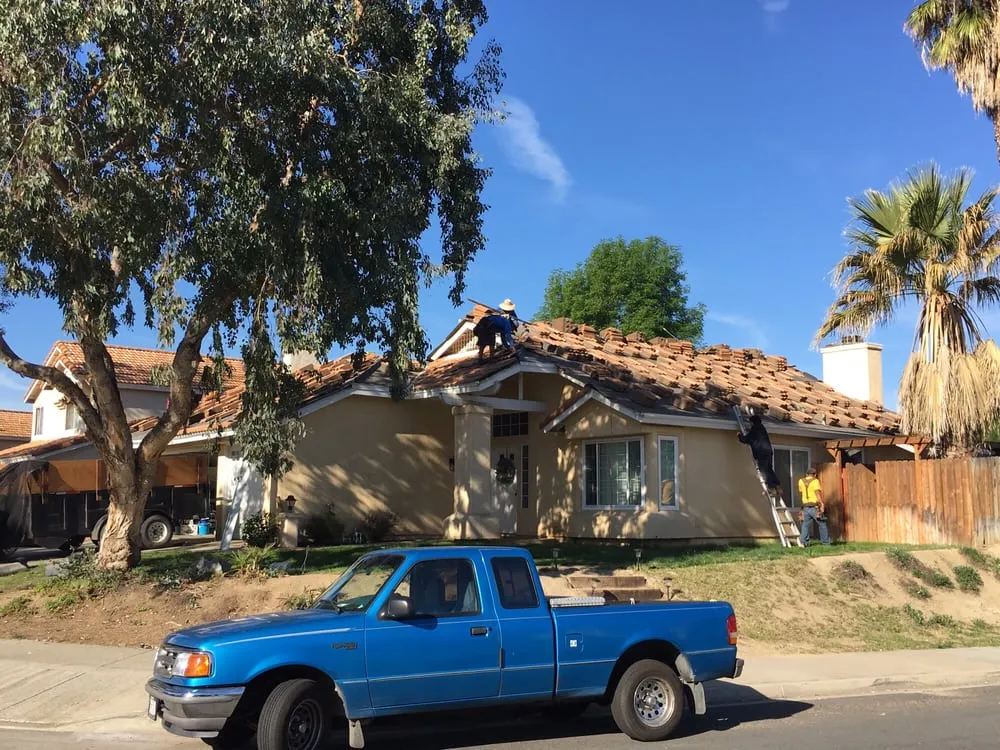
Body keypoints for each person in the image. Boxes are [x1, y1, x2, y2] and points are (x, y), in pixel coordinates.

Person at [736, 413, 782, 500]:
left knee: (764, 470)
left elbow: (746, 439)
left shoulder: (755, 429)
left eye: (750, 423)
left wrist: (739, 436)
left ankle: (771, 488)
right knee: (769, 468)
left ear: (753, 422)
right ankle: (777, 486)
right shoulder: (762, 428)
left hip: (761, 452)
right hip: (768, 451)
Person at [798, 466, 830, 546]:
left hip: (805, 506)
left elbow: (801, 491)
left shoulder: (800, 481)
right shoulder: (815, 481)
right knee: (822, 524)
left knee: (805, 525)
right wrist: (821, 503)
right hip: (814, 506)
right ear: (815, 474)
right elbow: (817, 493)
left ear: (806, 474)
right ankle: (826, 543)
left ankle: (804, 542)